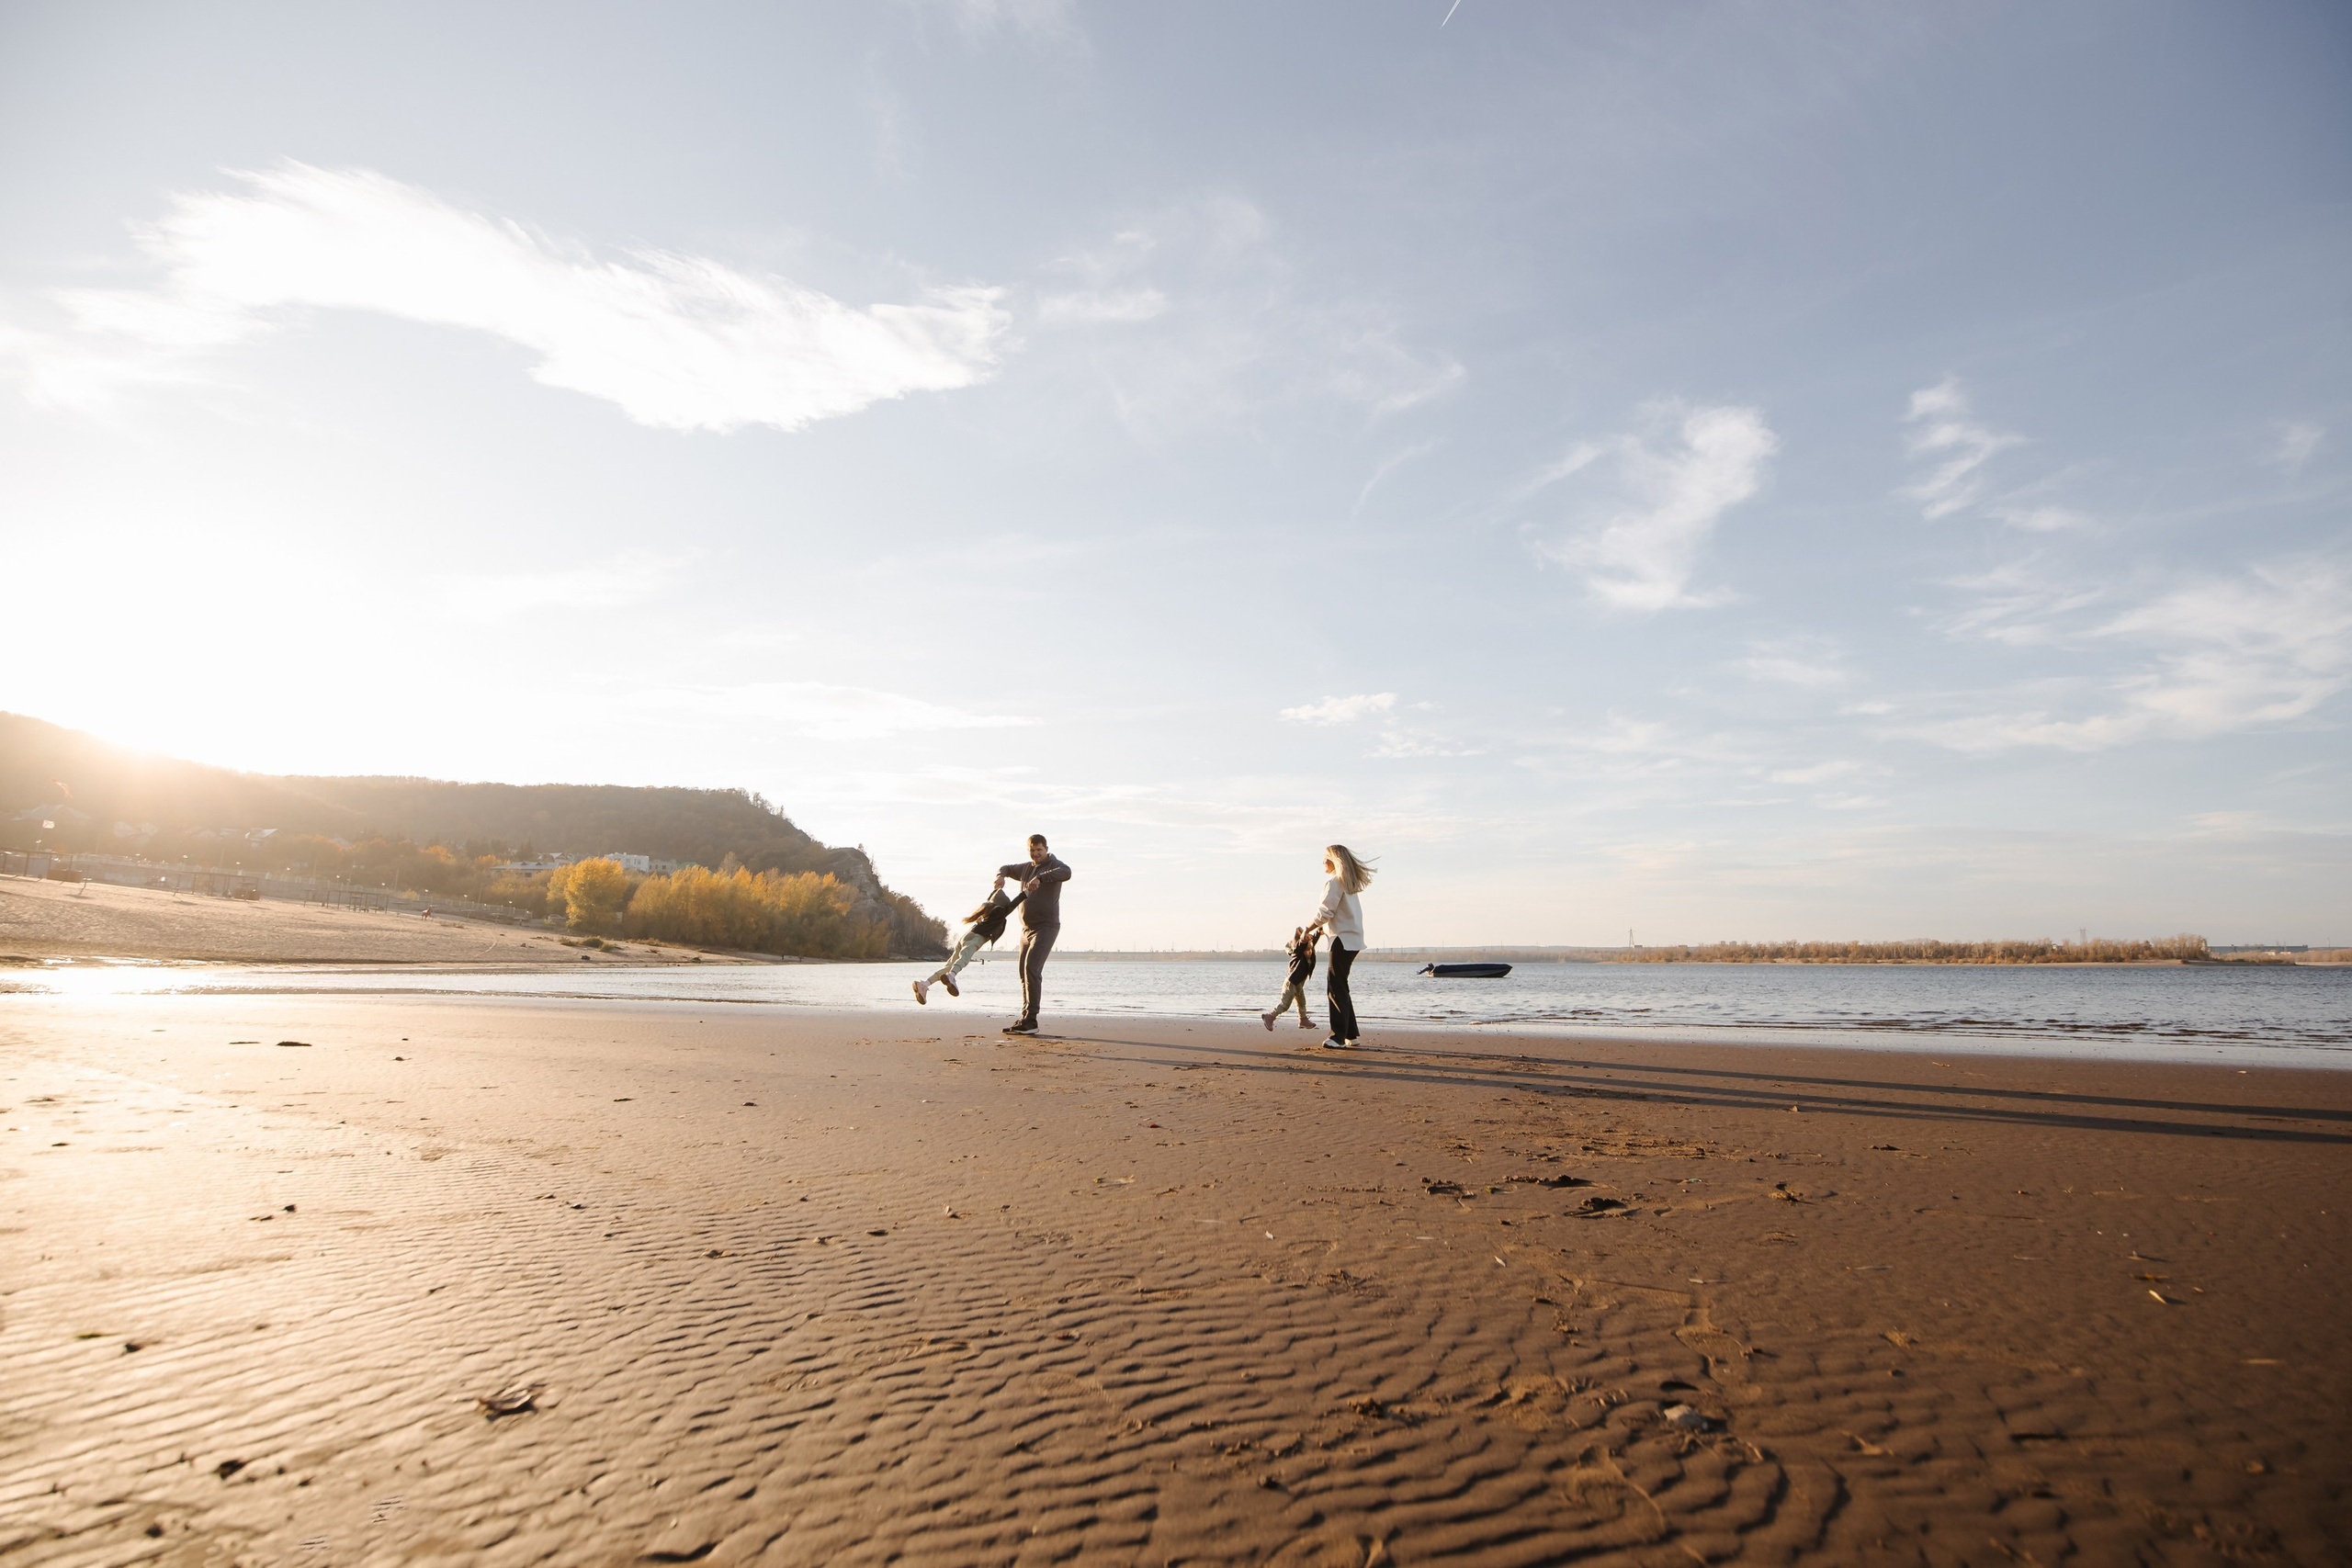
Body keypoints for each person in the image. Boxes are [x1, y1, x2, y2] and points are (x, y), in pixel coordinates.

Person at [996, 833, 1071, 1035]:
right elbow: (1006, 868)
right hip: (1026, 930)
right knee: (1024, 973)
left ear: (1046, 849)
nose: (1036, 854)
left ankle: (1031, 1021)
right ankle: (1025, 1019)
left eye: (1039, 850)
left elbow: (1067, 872)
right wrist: (1000, 876)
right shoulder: (1027, 868)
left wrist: (1041, 878)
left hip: (1046, 927)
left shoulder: (1054, 865)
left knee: (1032, 969)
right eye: (1032, 850)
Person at [1303, 843, 1375, 1050]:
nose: (1322, 862)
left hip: (1341, 941)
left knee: (1335, 987)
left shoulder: (1335, 882)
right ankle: (1351, 1034)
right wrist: (1323, 929)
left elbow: (1325, 912)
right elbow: (1339, 915)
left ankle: (1337, 1036)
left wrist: (1308, 929)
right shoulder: (1348, 885)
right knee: (1341, 986)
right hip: (1352, 940)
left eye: (1325, 858)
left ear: (1334, 860)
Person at [912, 886, 1023, 1005]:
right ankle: (952, 976)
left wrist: (997, 888)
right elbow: (1015, 902)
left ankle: (924, 984)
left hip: (966, 936)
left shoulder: (987, 910)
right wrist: (1028, 891)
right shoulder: (1000, 912)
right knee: (964, 959)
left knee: (949, 965)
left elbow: (993, 898)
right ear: (1002, 905)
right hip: (976, 938)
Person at [1262, 926, 1322, 1032]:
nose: (1310, 952)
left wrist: (1319, 931)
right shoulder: (1297, 954)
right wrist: (1303, 937)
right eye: (1307, 950)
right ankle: (1270, 1016)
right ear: (1302, 949)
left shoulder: (1310, 953)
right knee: (1285, 1005)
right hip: (1291, 983)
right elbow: (1301, 945)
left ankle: (1303, 1020)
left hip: (1298, 983)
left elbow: (1313, 941)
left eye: (1311, 950)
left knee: (1301, 1002)